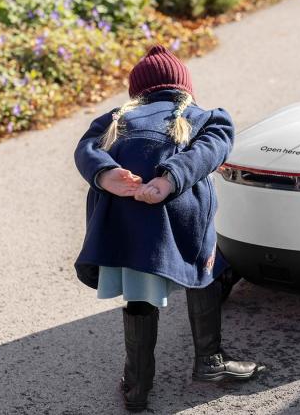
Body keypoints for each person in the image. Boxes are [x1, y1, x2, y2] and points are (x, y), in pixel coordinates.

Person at [73, 44, 264, 412]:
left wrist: (106, 174)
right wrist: (170, 179)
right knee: (202, 273)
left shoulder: (114, 119)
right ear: (184, 87)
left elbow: (85, 149)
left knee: (140, 293)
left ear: (136, 92)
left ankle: (137, 386)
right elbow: (210, 149)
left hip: (126, 225)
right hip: (181, 219)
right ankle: (209, 360)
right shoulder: (205, 116)